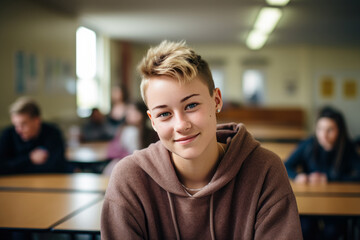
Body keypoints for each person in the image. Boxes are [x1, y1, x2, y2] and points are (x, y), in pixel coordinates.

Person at [101, 41, 302, 239]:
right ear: (152, 121)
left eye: (191, 105)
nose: (180, 125)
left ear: (216, 101)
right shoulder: (129, 178)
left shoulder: (265, 170)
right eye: (164, 114)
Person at [285, 106, 360, 240]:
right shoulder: (308, 144)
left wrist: (329, 178)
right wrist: (298, 176)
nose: (323, 135)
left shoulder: (347, 147)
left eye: (330, 130)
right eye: (320, 129)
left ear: (339, 130)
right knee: (305, 228)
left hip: (338, 203)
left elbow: (358, 174)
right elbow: (286, 165)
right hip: (310, 201)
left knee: (332, 231)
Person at [0, 97, 68, 175]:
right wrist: (29, 159)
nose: (18, 130)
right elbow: (2, 167)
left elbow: (57, 167)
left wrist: (17, 166)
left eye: (23, 124)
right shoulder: (8, 134)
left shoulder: (53, 133)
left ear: (36, 121)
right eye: (15, 125)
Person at [103, 101, 158, 176]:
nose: (132, 114)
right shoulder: (124, 130)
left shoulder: (151, 133)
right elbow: (111, 151)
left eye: (135, 111)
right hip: (122, 164)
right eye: (129, 112)